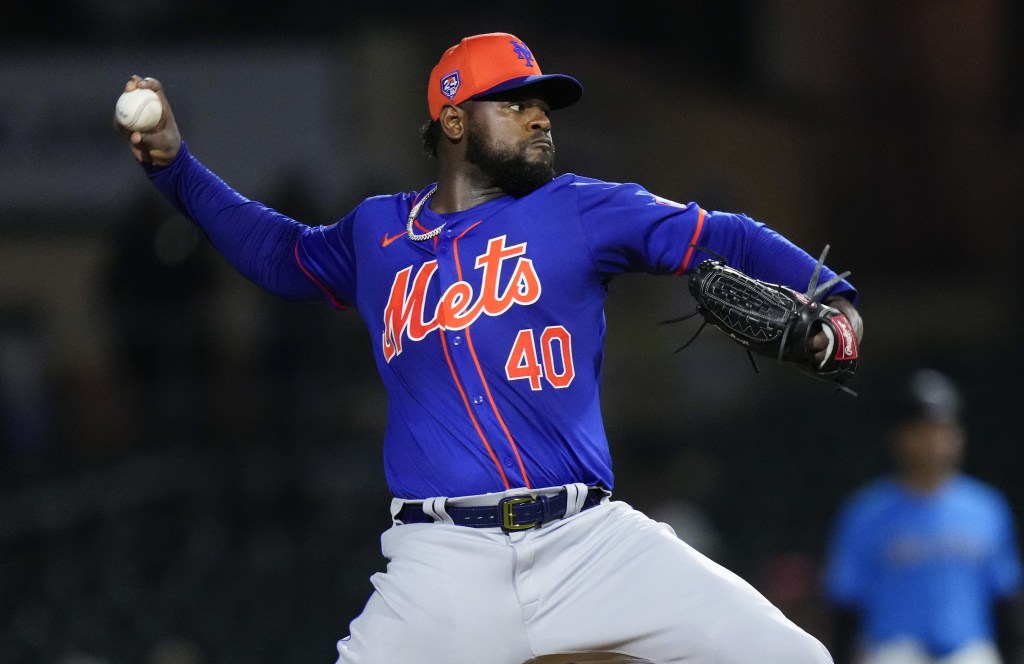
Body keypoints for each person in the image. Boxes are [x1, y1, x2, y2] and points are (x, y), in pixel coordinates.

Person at [119, 32, 863, 664]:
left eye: (543, 106)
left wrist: (835, 298)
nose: (540, 118)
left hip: (588, 543)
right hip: (442, 562)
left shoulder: (578, 209)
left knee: (792, 656)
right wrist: (175, 170)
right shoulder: (376, 234)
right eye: (515, 103)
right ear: (452, 118)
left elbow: (723, 234)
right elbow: (280, 253)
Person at [824, 369, 1023, 664]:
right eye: (921, 429)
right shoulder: (866, 512)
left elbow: (1004, 599)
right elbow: (846, 605)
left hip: (967, 650)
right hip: (894, 649)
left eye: (942, 428)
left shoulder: (987, 508)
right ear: (898, 437)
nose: (934, 440)